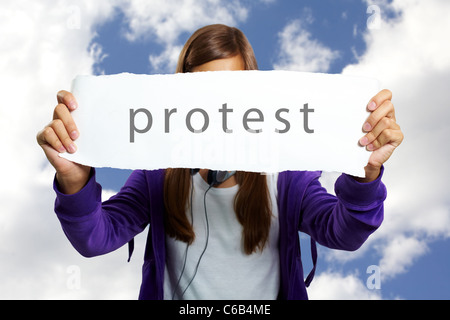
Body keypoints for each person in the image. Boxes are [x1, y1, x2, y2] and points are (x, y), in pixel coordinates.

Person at [36, 24, 404, 300]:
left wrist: (365, 174)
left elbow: (345, 232)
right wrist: (74, 179)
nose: (218, 108)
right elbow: (95, 238)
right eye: (202, 89)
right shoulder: (157, 178)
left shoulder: (287, 177)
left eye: (231, 89)